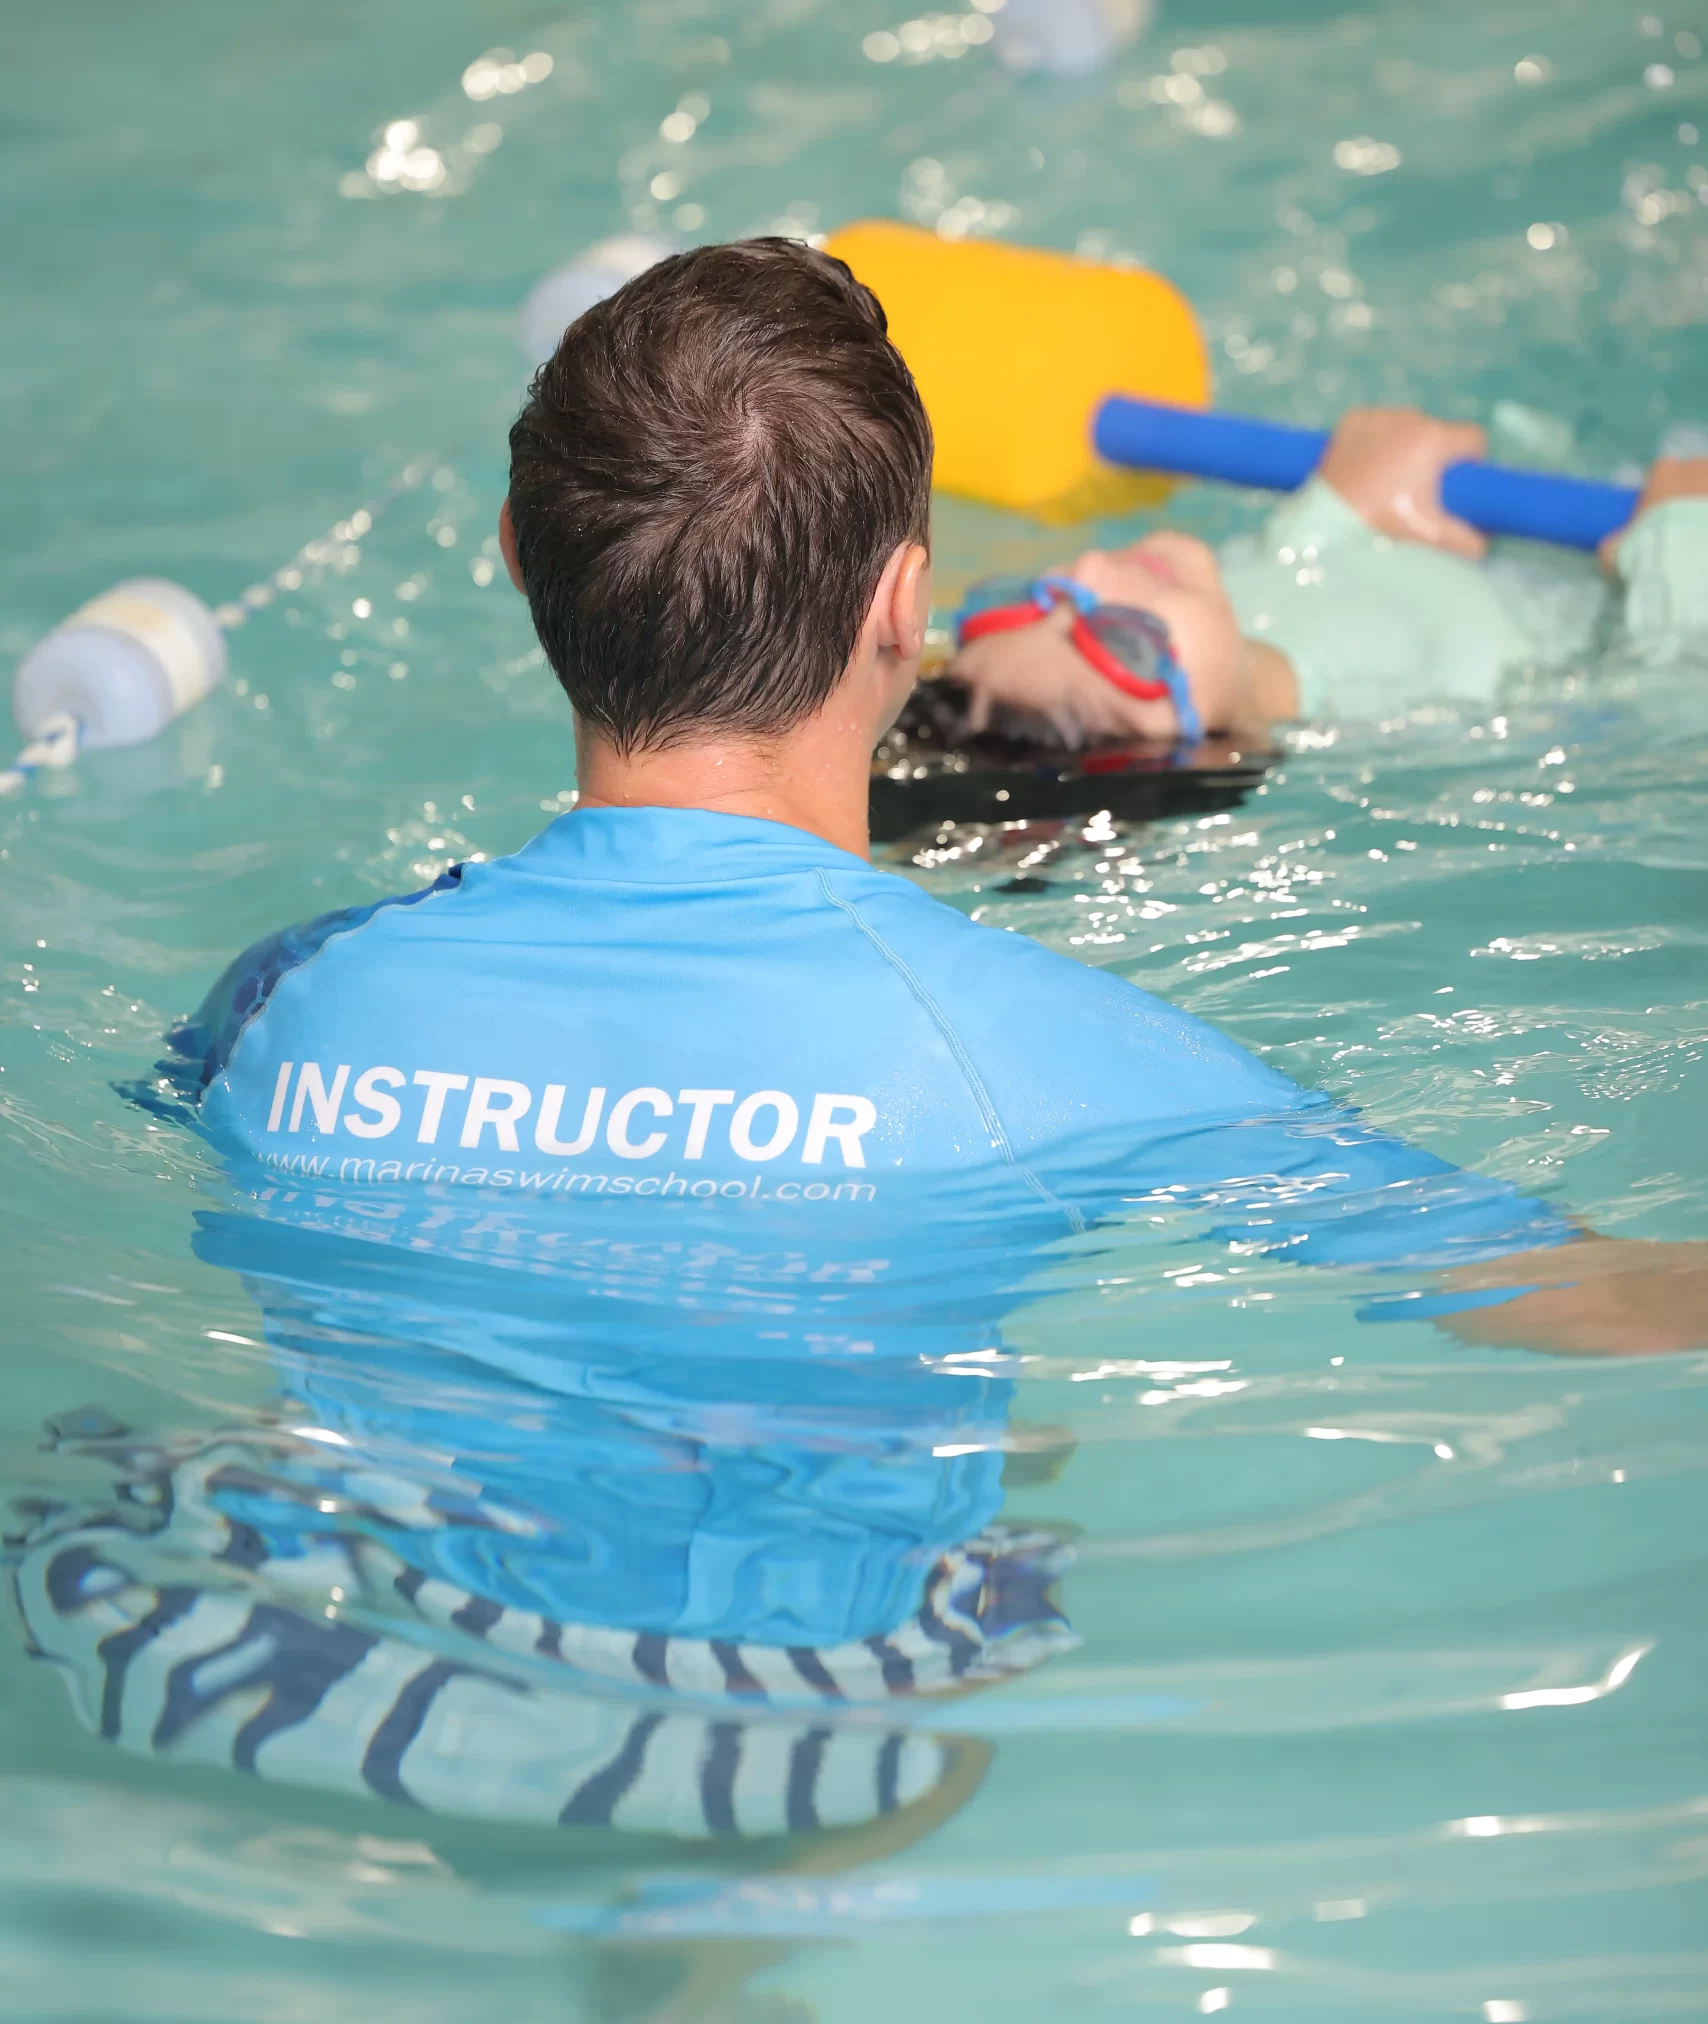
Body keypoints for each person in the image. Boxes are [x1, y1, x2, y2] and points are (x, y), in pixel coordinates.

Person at [150, 237, 1707, 1358]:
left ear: (514, 563)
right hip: (829, 1740)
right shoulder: (1041, 1055)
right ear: (906, 610)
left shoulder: (288, 998)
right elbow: (1572, 1294)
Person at [949, 406, 1708, 743]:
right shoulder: (1399, 729)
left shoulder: (1223, 599)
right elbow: (1651, 704)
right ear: (1198, 756)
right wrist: (1676, 560)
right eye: (1124, 643)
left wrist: (1336, 507)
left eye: (1021, 602)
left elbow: (1287, 565)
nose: (1087, 567)